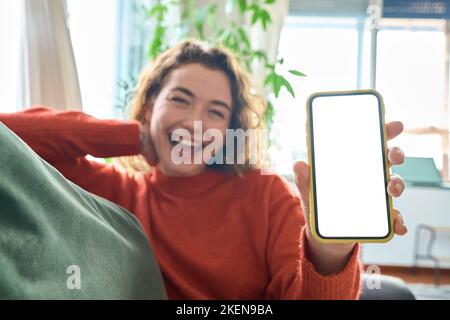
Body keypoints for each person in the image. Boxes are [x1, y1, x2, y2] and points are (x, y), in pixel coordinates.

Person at [0, 39, 407, 299]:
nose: (196, 123)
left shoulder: (265, 196)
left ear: (228, 131)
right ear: (149, 105)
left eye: (215, 112)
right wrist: (138, 137)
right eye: (180, 99)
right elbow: (9, 138)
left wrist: (329, 253)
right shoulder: (113, 192)